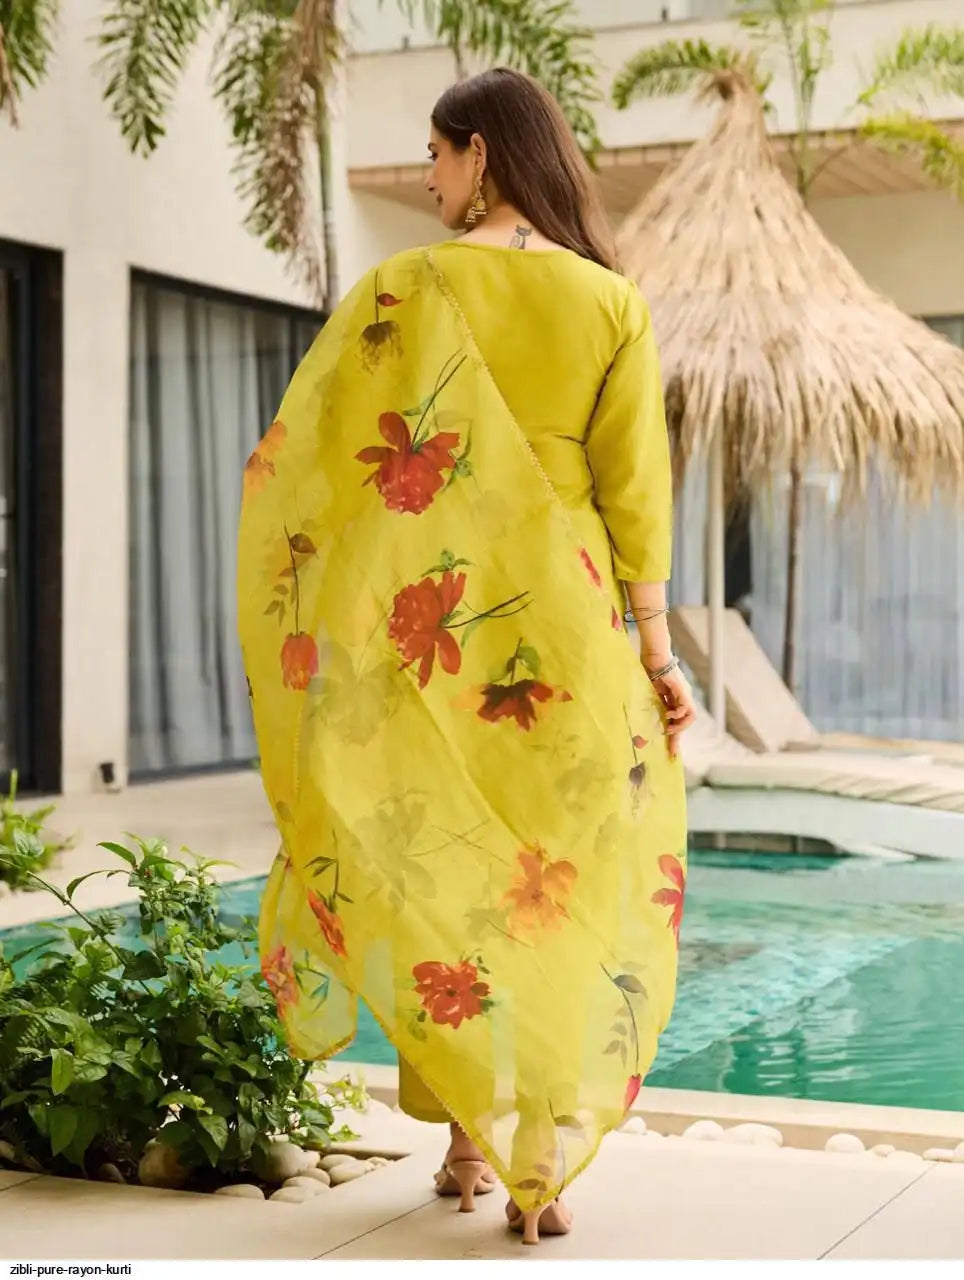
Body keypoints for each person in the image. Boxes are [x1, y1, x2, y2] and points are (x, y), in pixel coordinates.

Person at [238, 66, 695, 1247]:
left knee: (443, 870)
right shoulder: (609, 301)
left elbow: (320, 462)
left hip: (433, 639)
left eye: (437, 156)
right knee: (556, 877)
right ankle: (535, 1157)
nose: (430, 177)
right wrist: (658, 653)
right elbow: (634, 493)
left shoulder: (405, 288)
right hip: (568, 633)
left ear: (479, 152)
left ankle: (462, 1140)